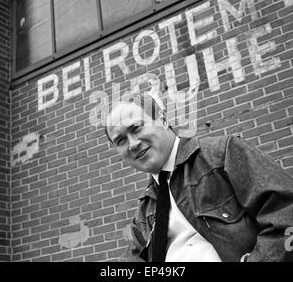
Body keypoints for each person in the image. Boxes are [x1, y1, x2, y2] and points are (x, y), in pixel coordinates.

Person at [105, 92, 293, 262]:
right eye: (120, 140)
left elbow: (287, 213)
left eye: (137, 128)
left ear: (162, 119)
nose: (132, 144)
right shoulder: (144, 212)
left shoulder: (222, 155)